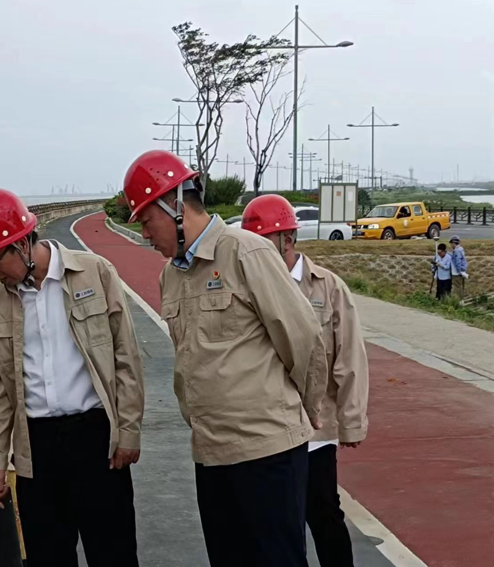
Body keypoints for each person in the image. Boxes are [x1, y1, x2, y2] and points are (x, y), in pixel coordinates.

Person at [123, 150, 328, 567]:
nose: (144, 234)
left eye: (146, 220)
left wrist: (300, 410)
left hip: (266, 451)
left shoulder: (245, 252)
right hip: (211, 453)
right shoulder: (171, 276)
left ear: (176, 206)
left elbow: (303, 338)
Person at [0, 189, 145, 567]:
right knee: (48, 557)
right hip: (36, 448)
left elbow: (126, 358)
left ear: (21, 245)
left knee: (113, 553)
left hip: (96, 440)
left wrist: (129, 430)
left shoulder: (95, 272)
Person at [242, 194, 370, 567]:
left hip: (315, 429)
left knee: (324, 512)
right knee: (278, 522)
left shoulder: (327, 287)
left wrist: (351, 421)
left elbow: (349, 356)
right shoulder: (247, 287)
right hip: (265, 428)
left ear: (287, 239)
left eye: (264, 243)